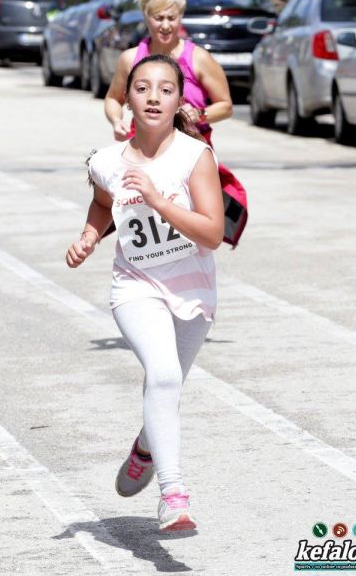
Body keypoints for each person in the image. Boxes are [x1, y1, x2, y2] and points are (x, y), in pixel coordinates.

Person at [66, 54, 224, 531]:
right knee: (164, 375)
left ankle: (146, 447)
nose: (153, 97)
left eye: (166, 89)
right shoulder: (106, 161)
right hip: (135, 285)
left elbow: (212, 233)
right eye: (142, 88)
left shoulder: (195, 156)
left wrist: (157, 199)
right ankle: (173, 495)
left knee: (168, 384)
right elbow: (102, 204)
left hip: (192, 290)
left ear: (179, 101)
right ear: (127, 99)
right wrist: (90, 235)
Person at [104, 0, 247, 247]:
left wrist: (200, 114)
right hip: (145, 153)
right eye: (158, 18)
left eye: (172, 17)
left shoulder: (198, 58)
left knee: (192, 230)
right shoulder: (130, 59)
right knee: (146, 224)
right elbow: (114, 98)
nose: (166, 25)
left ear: (181, 17)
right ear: (146, 17)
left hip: (190, 156)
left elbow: (226, 105)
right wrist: (117, 120)